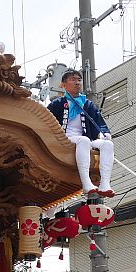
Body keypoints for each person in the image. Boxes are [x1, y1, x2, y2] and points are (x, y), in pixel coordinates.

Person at [47, 69, 115, 197]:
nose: (77, 83)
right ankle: (86, 183)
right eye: (73, 80)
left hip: (86, 139)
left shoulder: (87, 104)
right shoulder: (56, 104)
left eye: (79, 80)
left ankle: (105, 184)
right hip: (65, 139)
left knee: (108, 145)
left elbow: (99, 123)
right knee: (83, 140)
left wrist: (103, 134)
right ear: (63, 84)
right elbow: (47, 123)